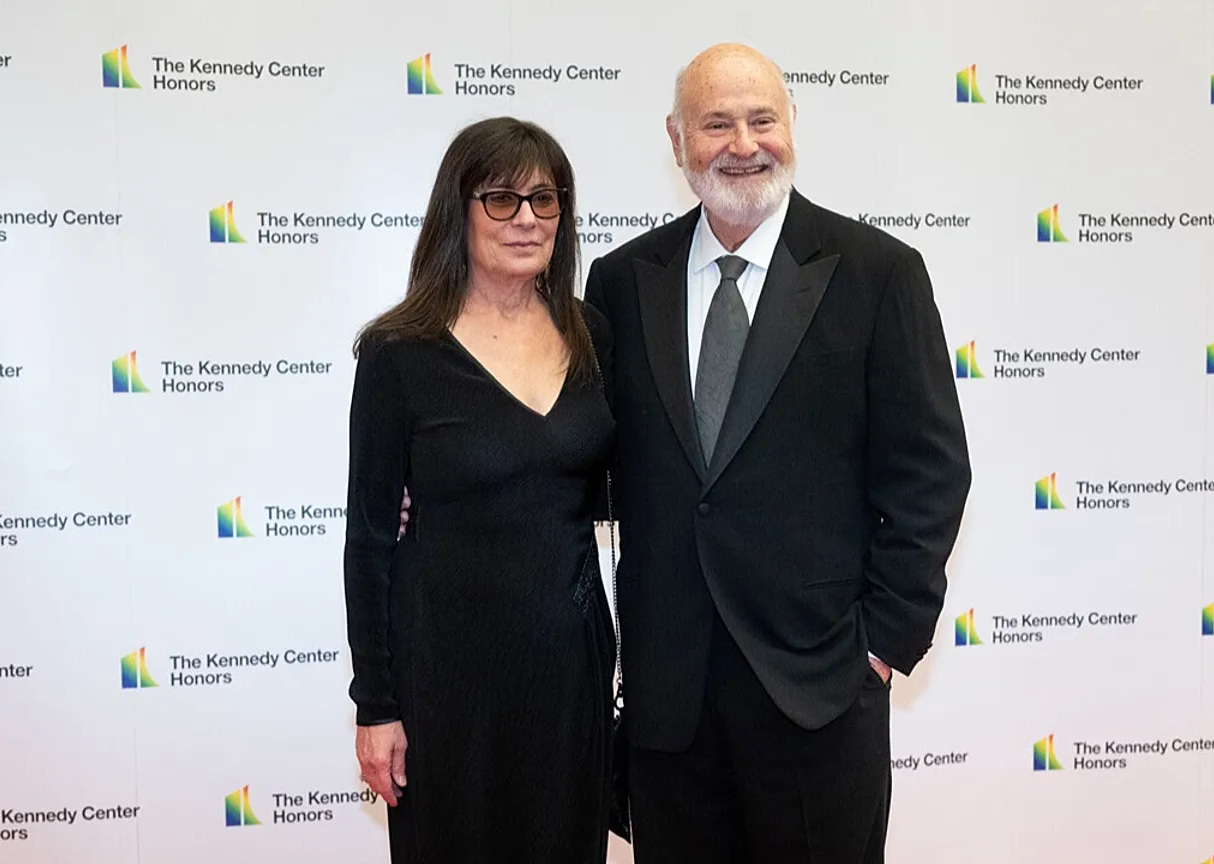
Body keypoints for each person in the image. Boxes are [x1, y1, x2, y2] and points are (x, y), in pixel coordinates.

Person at [583, 43, 971, 863]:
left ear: (792, 123)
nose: (743, 144)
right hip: (669, 707)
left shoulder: (878, 274)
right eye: (716, 123)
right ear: (676, 139)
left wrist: (878, 649)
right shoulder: (622, 282)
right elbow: (591, 458)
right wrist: (441, 491)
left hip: (819, 696)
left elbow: (930, 473)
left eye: (762, 119)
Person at [342, 116, 615, 863]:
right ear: (457, 211)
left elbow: (610, 485)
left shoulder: (593, 335)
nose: (527, 219)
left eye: (545, 199)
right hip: (443, 677)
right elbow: (368, 542)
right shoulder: (399, 352)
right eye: (502, 199)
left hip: (568, 670)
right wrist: (376, 705)